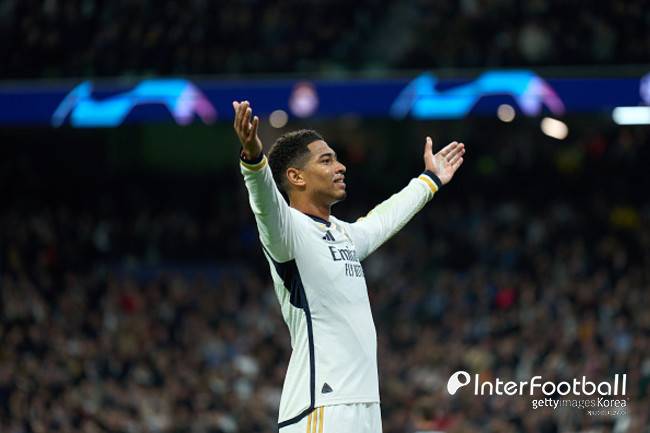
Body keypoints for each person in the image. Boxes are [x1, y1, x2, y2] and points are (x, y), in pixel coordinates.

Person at [233, 100, 465, 433]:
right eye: (326, 160)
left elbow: (384, 219)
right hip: (321, 407)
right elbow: (264, 202)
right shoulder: (287, 232)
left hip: (364, 406)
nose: (340, 166)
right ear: (296, 176)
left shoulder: (343, 235)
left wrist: (429, 180)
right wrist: (254, 160)